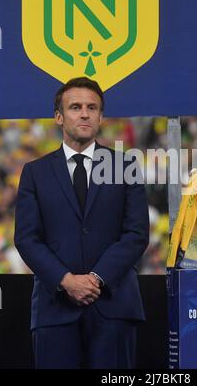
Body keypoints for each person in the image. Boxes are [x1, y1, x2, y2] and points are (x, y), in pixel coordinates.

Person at [14, 77, 149, 369]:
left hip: (113, 307)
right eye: (75, 107)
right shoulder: (34, 172)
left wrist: (96, 278)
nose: (84, 113)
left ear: (101, 117)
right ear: (59, 117)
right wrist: (66, 281)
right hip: (54, 309)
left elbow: (136, 234)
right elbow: (26, 238)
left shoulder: (125, 166)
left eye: (92, 107)